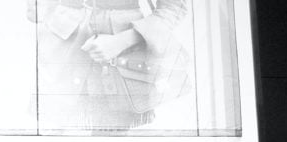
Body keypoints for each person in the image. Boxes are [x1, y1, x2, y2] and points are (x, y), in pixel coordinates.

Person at [27, 0, 191, 134]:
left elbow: (173, 7)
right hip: (62, 49)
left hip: (120, 56)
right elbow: (35, 9)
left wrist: (122, 41)